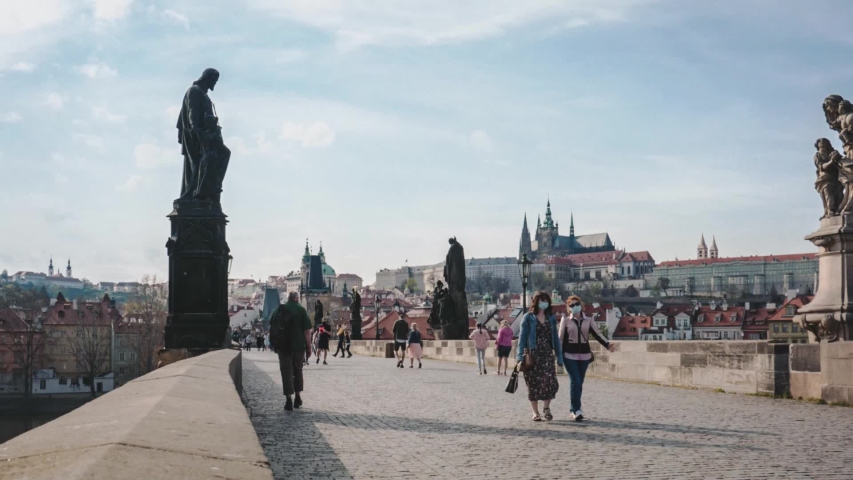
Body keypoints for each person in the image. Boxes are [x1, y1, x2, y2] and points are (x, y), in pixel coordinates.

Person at [559, 295, 616, 421]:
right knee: (575, 381)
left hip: (584, 355)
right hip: (569, 355)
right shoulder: (566, 320)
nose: (575, 307)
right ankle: (577, 410)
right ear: (569, 308)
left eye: (577, 304)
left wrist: (607, 344)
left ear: (581, 305)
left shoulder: (589, 320)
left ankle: (573, 409)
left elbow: (597, 334)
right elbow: (561, 339)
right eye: (572, 305)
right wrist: (559, 356)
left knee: (579, 383)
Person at [516, 291, 563, 422]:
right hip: (532, 355)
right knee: (533, 384)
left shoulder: (551, 318)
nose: (544, 303)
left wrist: (559, 356)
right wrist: (519, 357)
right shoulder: (528, 317)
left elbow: (555, 339)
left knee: (550, 382)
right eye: (542, 300)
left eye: (546, 300)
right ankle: (535, 411)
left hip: (547, 354)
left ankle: (546, 408)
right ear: (536, 302)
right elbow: (522, 338)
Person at [269, 291, 313, 411]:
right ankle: (297, 398)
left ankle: (288, 399)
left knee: (286, 372)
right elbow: (307, 331)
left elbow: (272, 327)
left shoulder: (278, 310)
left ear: (288, 298)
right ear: (296, 298)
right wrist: (309, 347)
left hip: (283, 347)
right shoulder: (301, 310)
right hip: (298, 346)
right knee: (297, 371)